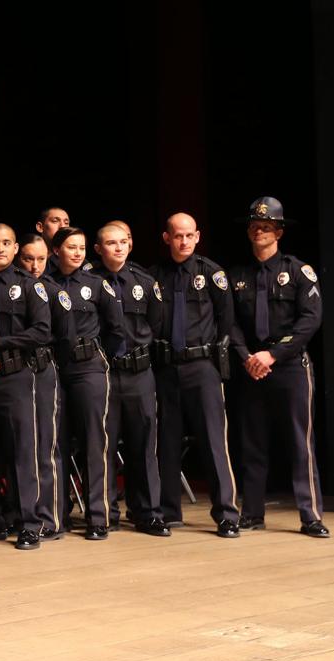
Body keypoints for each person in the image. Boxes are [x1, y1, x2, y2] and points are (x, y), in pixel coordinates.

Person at [227, 197, 327, 537]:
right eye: (255, 226)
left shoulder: (298, 271)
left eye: (267, 227)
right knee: (251, 443)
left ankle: (311, 516)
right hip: (251, 367)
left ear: (279, 232)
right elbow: (230, 324)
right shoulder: (237, 276)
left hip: (289, 366)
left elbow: (309, 321)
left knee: (300, 443)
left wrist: (272, 355)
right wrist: (247, 356)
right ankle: (252, 513)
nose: (259, 231)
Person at [149, 213, 241, 536]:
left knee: (214, 441)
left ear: (198, 236)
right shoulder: (153, 276)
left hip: (202, 365)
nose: (184, 241)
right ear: (167, 238)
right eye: (178, 236)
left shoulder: (212, 273)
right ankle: (168, 510)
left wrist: (212, 358)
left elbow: (226, 321)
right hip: (165, 367)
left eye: (189, 235)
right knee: (166, 441)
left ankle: (226, 514)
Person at [0, 224, 50, 550]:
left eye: (6, 243)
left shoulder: (29, 285)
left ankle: (29, 523)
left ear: (15, 248)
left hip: (15, 378)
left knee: (23, 452)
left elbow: (41, 331)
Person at [46, 227, 126, 539]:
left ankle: (98, 517)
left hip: (89, 367)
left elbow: (116, 329)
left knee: (95, 442)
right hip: (55, 368)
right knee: (56, 442)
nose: (78, 253)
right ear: (56, 251)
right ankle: (57, 517)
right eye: (71, 247)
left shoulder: (95, 284)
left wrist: (98, 356)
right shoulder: (45, 284)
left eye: (81, 247)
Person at [93, 224, 169, 536]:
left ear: (130, 244)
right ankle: (105, 513)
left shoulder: (145, 282)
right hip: (104, 373)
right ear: (98, 249)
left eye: (123, 242)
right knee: (103, 445)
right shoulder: (89, 282)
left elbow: (156, 324)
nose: (118, 248)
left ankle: (148, 512)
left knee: (144, 444)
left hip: (138, 373)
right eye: (111, 243)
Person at [15, 233, 65, 539]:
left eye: (41, 259)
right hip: (15, 373)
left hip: (43, 370)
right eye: (28, 259)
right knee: (22, 447)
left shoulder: (53, 291)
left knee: (46, 445)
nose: (35, 266)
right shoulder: (12, 286)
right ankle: (23, 515)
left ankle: (50, 519)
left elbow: (66, 335)